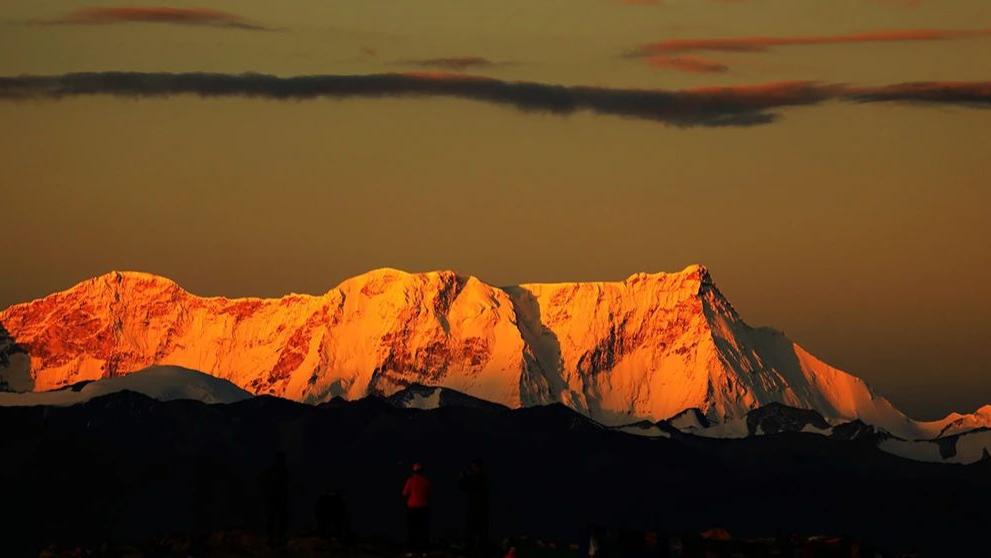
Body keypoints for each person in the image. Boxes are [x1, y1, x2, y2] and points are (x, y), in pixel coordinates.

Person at [459, 458, 489, 558]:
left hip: (476, 510)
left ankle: (473, 551)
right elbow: (465, 487)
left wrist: (463, 478)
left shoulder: (479, 478)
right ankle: (477, 551)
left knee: (474, 532)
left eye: (474, 466)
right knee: (477, 532)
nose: (473, 468)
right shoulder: (481, 477)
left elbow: (465, 486)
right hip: (479, 509)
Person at [402, 462, 432, 556]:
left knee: (411, 530)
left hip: (412, 508)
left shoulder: (410, 480)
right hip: (423, 507)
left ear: (413, 471)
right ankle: (424, 551)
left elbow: (404, 493)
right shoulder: (426, 481)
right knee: (423, 530)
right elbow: (429, 493)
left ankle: (411, 551)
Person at [263, 452, 289, 550]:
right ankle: (274, 540)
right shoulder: (279, 471)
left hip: (277, 500)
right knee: (274, 520)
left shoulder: (280, 471)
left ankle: (276, 540)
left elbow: (285, 487)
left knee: (276, 520)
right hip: (276, 500)